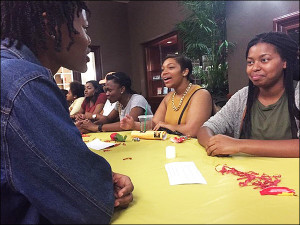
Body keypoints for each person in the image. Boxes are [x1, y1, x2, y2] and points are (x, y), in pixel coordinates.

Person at [1, 1, 133, 224]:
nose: (89, 40)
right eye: (84, 28)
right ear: (49, 27)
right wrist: (99, 185)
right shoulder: (24, 82)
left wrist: (95, 178)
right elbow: (91, 204)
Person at [197, 31, 299, 158]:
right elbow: (206, 128)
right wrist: (214, 145)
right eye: (250, 62)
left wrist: (239, 145)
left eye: (264, 60)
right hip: (246, 175)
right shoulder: (242, 97)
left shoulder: (297, 94)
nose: (255, 67)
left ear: (285, 62)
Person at [120, 54, 213, 137]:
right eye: (163, 69)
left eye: (171, 67)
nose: (164, 73)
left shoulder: (200, 94)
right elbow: (155, 123)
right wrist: (133, 125)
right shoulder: (169, 96)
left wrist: (166, 126)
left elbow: (193, 131)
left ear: (185, 72)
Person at [77, 72, 153, 133]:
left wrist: (96, 127)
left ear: (122, 89)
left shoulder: (137, 100)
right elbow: (108, 119)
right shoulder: (119, 103)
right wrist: (88, 125)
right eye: (106, 90)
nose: (106, 94)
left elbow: (127, 125)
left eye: (109, 90)